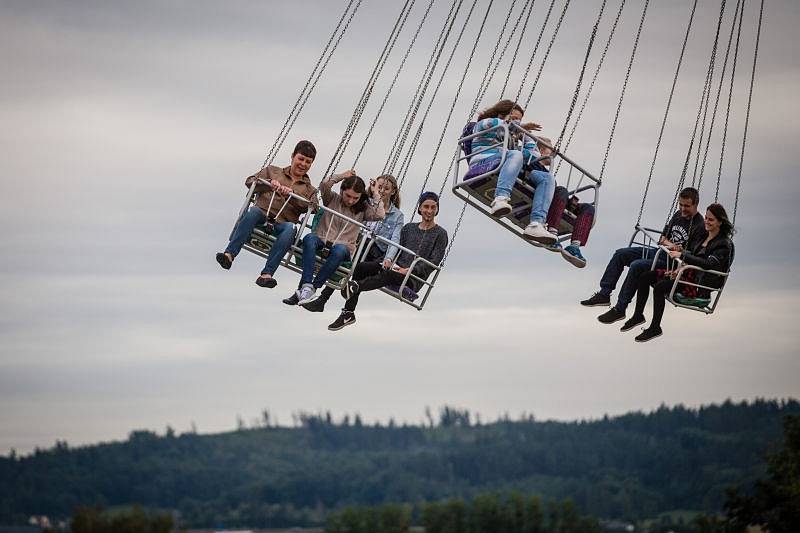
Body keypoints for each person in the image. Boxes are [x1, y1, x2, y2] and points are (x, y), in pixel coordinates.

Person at [582, 187, 707, 326]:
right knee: (620, 254)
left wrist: (681, 251)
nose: (683, 209)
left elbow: (693, 255)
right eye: (681, 205)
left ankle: (620, 308)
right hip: (659, 252)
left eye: (687, 206)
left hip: (669, 263)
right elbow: (662, 239)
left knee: (637, 266)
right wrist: (671, 245)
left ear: (696, 205)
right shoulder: (678, 215)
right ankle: (604, 294)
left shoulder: (700, 226)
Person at [328, 191, 448, 331]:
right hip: (395, 267)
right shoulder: (409, 229)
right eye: (426, 207)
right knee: (361, 268)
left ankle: (356, 286)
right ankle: (348, 313)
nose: (429, 211)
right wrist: (386, 261)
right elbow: (395, 247)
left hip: (412, 278)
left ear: (437, 209)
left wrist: (409, 270)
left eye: (433, 207)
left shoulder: (440, 234)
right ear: (420, 208)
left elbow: (434, 261)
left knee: (388, 275)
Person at [215, 140, 318, 288]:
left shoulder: (310, 190)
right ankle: (229, 255)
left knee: (290, 229)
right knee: (253, 212)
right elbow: (250, 181)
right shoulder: (273, 171)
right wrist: (269, 183)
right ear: (293, 156)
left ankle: (267, 274)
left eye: (308, 162)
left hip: (283, 223)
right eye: (300, 159)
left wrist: (293, 196)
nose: (303, 164)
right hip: (262, 214)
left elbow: (313, 208)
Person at [626, 203, 734, 342]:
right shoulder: (703, 237)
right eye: (706, 218)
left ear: (720, 222)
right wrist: (678, 269)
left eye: (711, 220)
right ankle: (638, 315)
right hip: (687, 274)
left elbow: (708, 264)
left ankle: (655, 327)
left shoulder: (723, 244)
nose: (706, 221)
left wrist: (682, 256)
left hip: (697, 284)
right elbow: (692, 257)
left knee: (659, 288)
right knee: (645, 277)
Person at [303, 174, 404, 312]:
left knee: (353, 264)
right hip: (356, 242)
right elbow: (326, 187)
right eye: (379, 187)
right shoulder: (363, 203)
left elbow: (394, 237)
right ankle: (311, 293)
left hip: (373, 249)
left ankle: (337, 306)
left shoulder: (395, 215)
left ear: (392, 192)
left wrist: (389, 258)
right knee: (345, 257)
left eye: (386, 189)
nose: (381, 191)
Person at [289, 170, 385, 306]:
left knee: (339, 250)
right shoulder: (332, 199)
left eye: (355, 198)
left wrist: (376, 193)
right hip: (322, 239)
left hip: (343, 248)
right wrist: (342, 176)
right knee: (309, 239)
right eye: (348, 196)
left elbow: (380, 215)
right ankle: (306, 285)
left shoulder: (362, 210)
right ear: (341, 191)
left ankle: (314, 287)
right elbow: (324, 185)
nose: (351, 201)